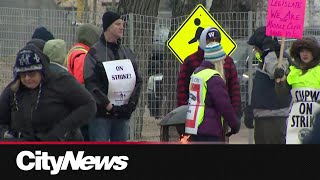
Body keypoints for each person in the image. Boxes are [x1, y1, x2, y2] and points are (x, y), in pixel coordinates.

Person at [0, 43, 97, 141]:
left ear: (41, 71)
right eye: (22, 74)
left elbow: (89, 105)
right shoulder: (13, 90)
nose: (27, 78)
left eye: (32, 73)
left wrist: (61, 131)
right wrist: (7, 136)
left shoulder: (61, 81)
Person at [83, 11, 143, 141]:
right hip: (101, 115)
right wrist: (108, 105)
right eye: (118, 24)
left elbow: (138, 80)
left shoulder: (127, 52)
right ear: (108, 27)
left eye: (123, 24)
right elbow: (91, 83)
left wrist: (131, 105)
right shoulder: (94, 53)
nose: (122, 27)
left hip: (122, 115)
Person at [177, 27, 242, 141]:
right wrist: (234, 123)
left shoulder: (197, 73)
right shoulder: (214, 78)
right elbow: (223, 104)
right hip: (210, 129)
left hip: (195, 125)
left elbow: (234, 91)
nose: (223, 62)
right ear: (217, 61)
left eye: (216, 40)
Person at [245, 26, 292, 144]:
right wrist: (251, 109)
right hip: (263, 116)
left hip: (275, 118)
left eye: (256, 46)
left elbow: (276, 72)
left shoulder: (279, 58)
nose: (255, 49)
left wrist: (268, 51)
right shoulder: (265, 60)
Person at [274, 36, 320, 144]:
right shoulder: (292, 72)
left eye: (308, 51)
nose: (305, 54)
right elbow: (282, 95)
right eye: (302, 51)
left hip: (315, 122)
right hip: (295, 123)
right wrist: (279, 82)